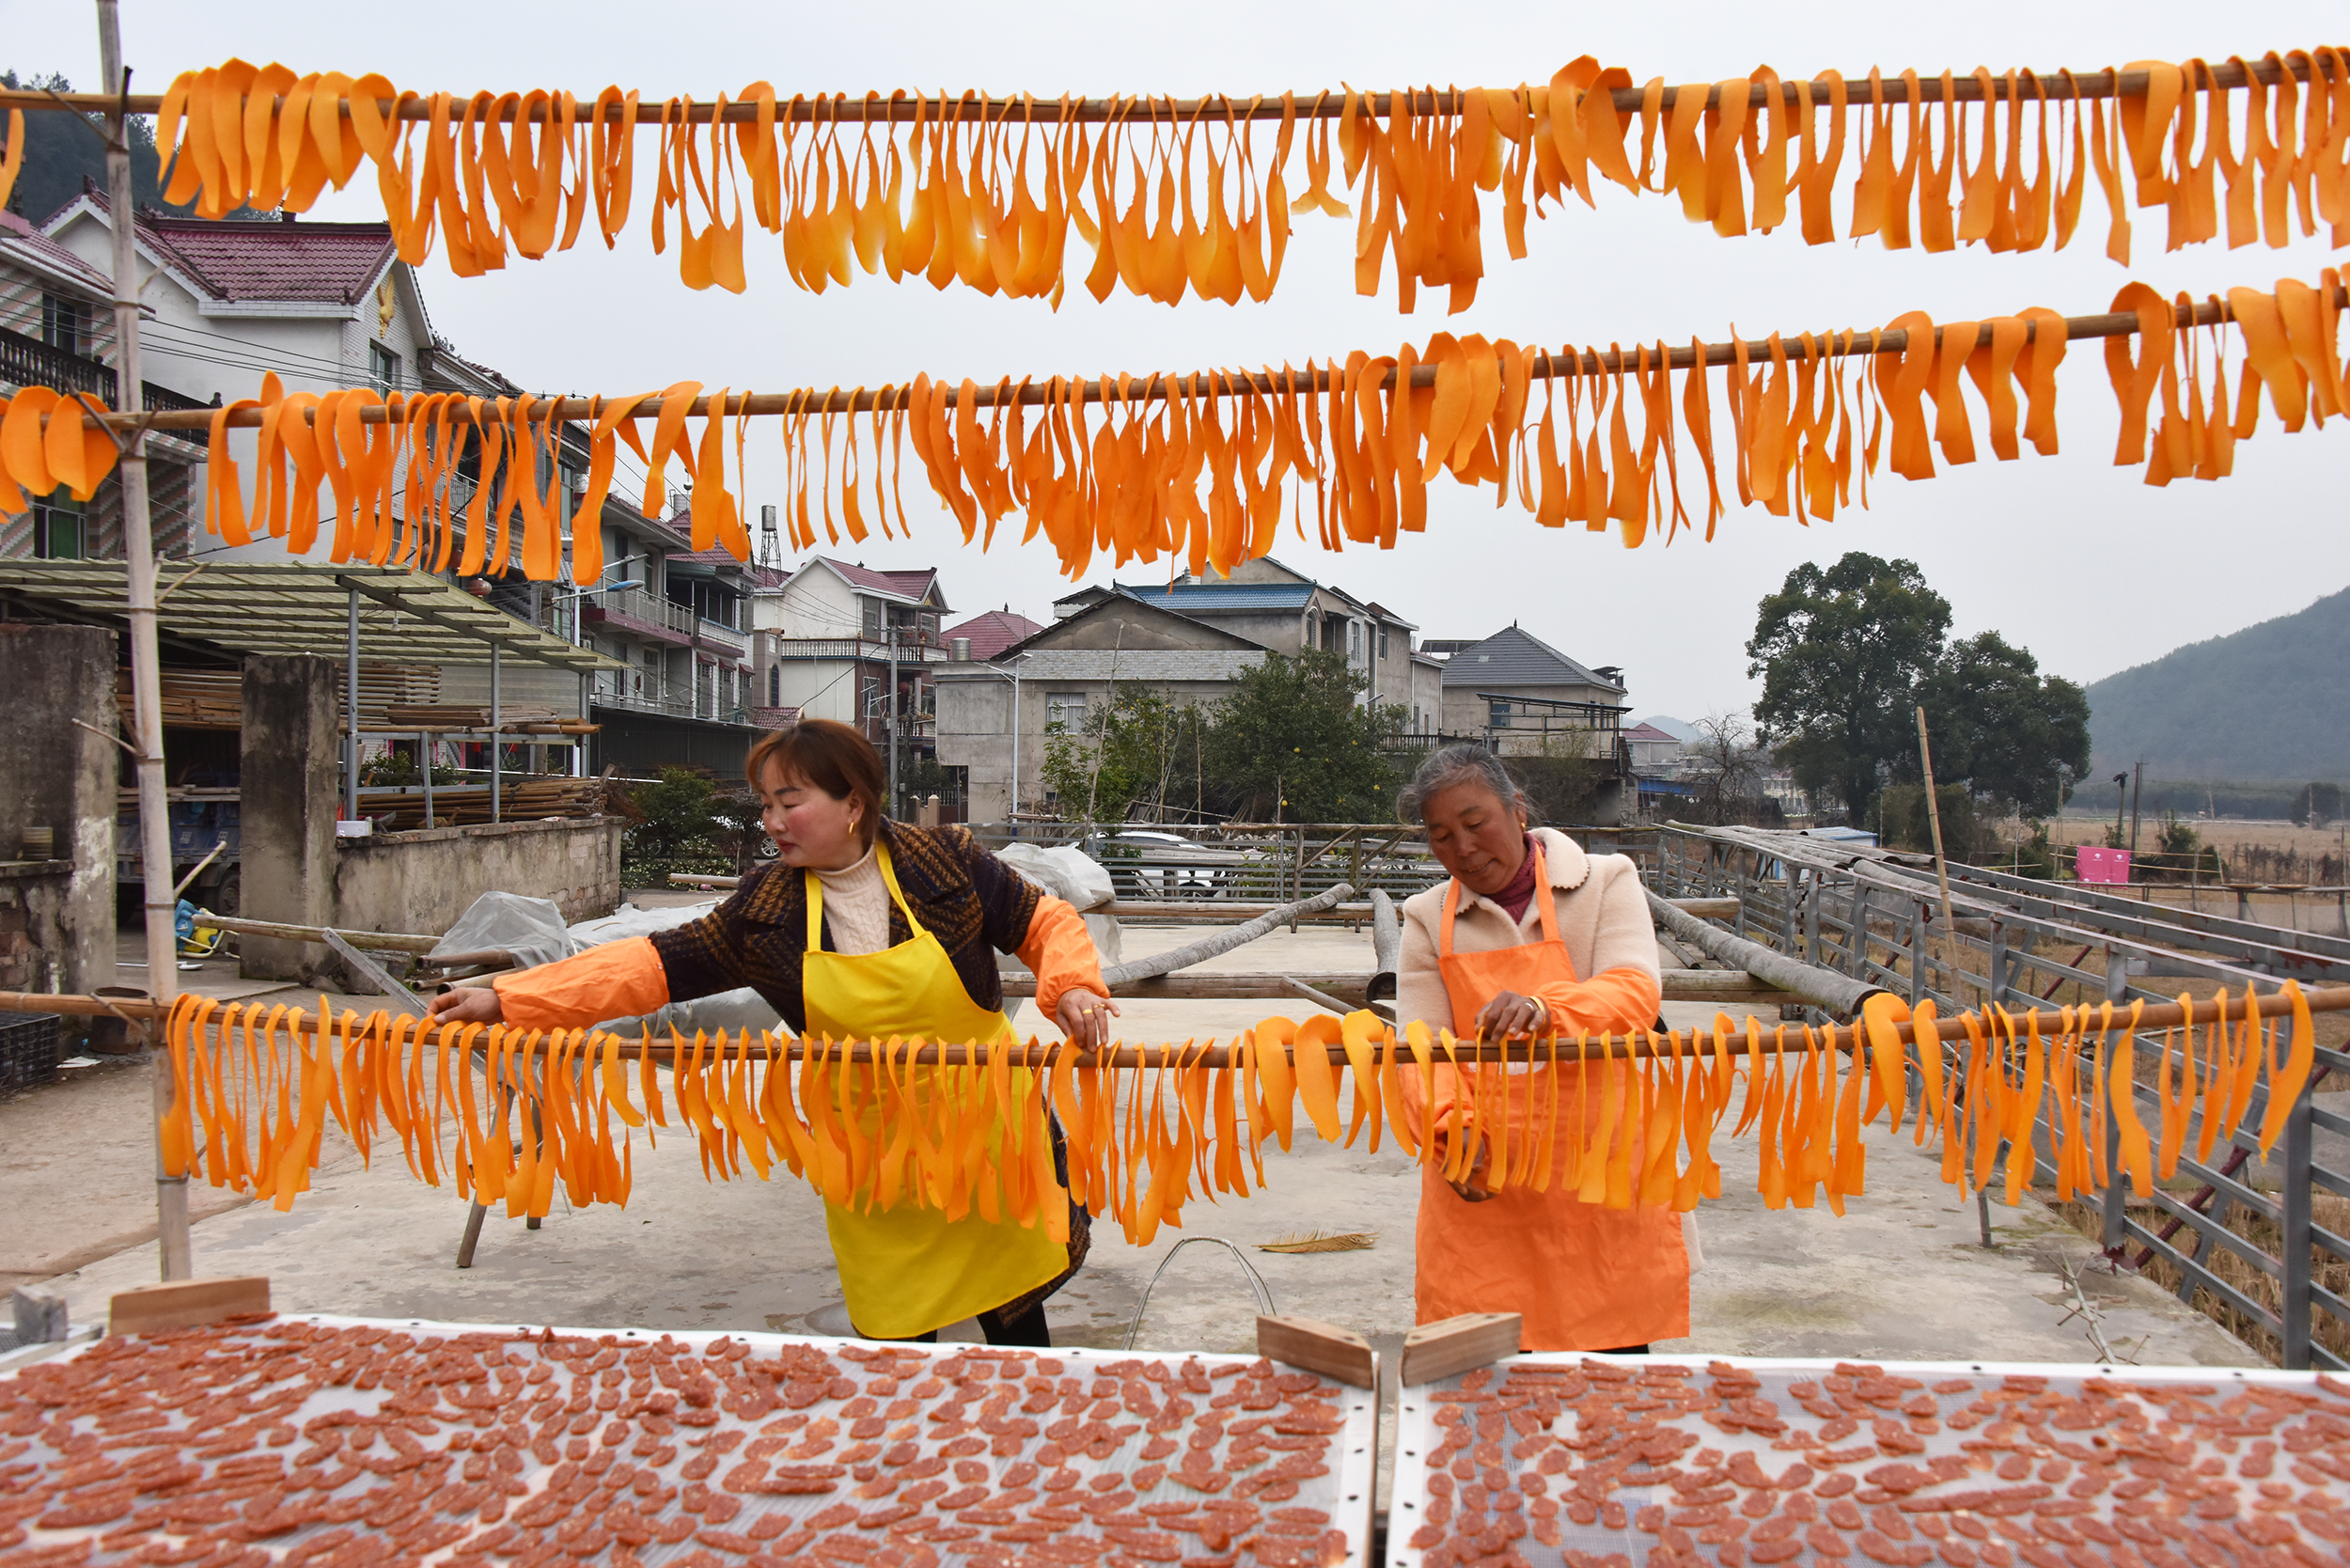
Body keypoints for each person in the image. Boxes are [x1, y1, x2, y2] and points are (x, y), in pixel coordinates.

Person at [428, 718, 1118, 1347]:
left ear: (853, 803)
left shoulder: (943, 862)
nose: (773, 822)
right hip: (872, 1152)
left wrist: (1073, 984)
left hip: (989, 1134)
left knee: (1015, 1318)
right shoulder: (767, 911)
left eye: (791, 802)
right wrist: (510, 998)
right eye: (765, 805)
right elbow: (652, 965)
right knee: (897, 1329)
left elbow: (1042, 920)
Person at [1392, 744, 1691, 1354]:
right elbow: (1421, 1044)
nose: (1463, 848)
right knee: (1487, 1387)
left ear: (1518, 810)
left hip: (1597, 1175)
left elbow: (1634, 991)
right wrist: (1450, 1130)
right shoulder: (1426, 917)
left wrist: (1549, 1009)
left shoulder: (1605, 882)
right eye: (1440, 836)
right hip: (1485, 1185)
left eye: (1475, 824)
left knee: (1607, 1383)